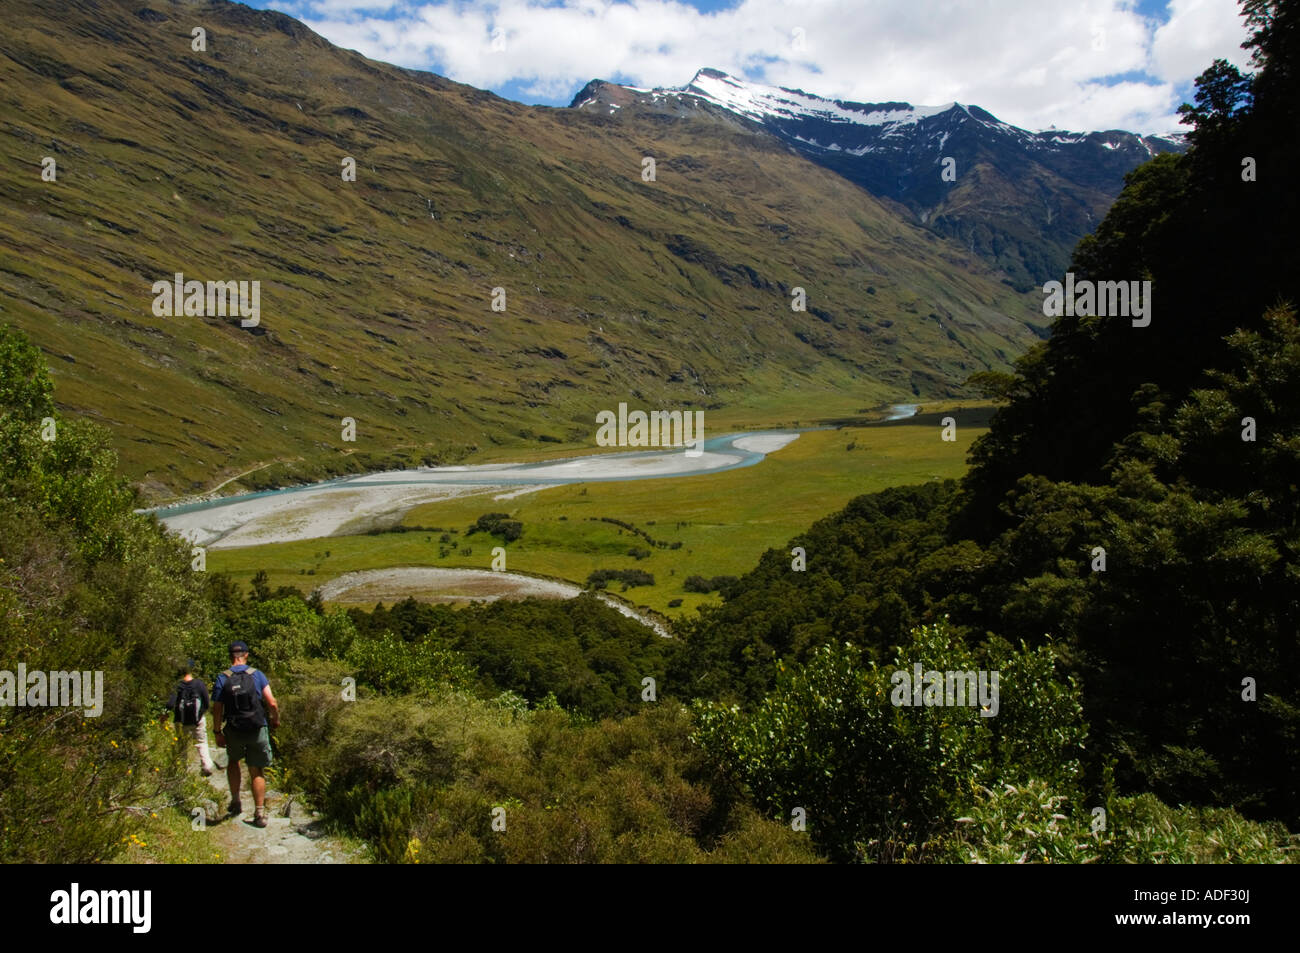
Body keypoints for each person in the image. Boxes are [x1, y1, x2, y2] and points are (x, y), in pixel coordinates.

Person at [211, 641, 280, 828]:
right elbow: (272, 703)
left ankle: (235, 802)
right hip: (257, 727)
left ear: (230, 656)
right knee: (256, 768)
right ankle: (259, 813)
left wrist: (217, 732)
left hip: (233, 729)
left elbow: (217, 708)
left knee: (233, 761)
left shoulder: (222, 678)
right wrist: (275, 719)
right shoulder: (257, 675)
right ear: (246, 655)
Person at [164, 660, 214, 776]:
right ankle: (206, 766)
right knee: (201, 742)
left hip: (181, 721)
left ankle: (182, 770)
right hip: (198, 720)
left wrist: (165, 714)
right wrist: (200, 715)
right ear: (191, 670)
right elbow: (206, 703)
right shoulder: (199, 684)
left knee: (182, 745)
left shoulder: (177, 685)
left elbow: (170, 704)